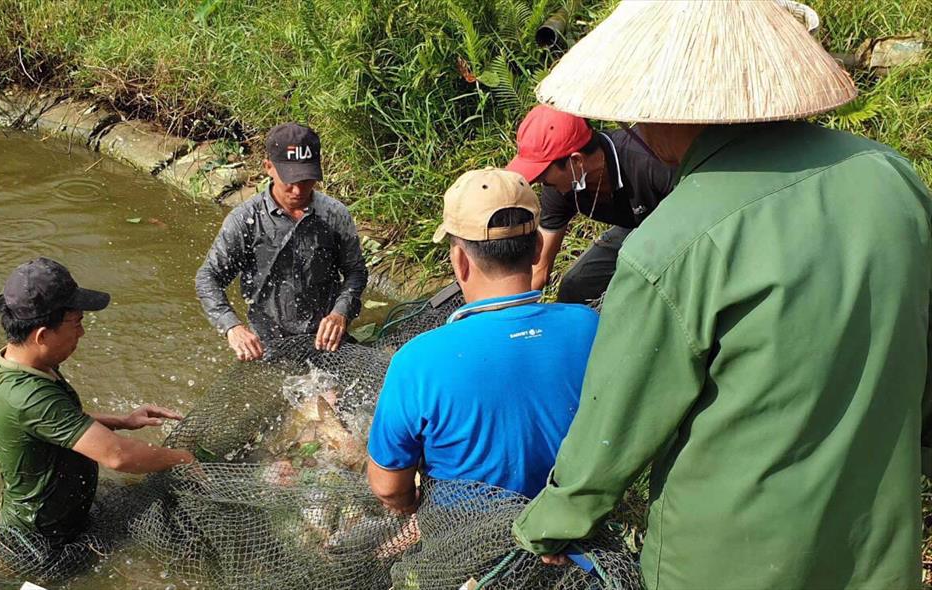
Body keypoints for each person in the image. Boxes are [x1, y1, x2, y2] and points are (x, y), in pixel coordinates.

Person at [512, 2, 932, 589]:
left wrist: (555, 520)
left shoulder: (672, 245)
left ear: (674, 107)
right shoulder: (893, 175)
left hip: (727, 558)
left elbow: (617, 425)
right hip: (875, 541)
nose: (634, 124)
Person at [366, 168, 600, 512]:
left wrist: (412, 505)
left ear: (459, 260)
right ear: (537, 248)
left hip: (467, 541)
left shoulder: (417, 360)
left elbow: (388, 487)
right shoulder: (589, 325)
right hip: (571, 525)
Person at [0, 257, 194, 544]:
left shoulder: (18, 360)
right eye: (76, 323)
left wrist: (124, 421)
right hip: (45, 538)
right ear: (42, 335)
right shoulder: (27, 395)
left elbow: (59, 421)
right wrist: (182, 458)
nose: (81, 333)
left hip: (57, 513)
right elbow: (118, 456)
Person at [196, 122, 368, 361]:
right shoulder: (245, 219)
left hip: (326, 341)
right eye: (290, 180)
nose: (298, 190)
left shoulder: (334, 215)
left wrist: (341, 313)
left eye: (306, 179)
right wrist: (232, 327)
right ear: (269, 167)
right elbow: (208, 278)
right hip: (267, 346)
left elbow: (355, 271)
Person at [506, 104, 675, 303]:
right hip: (633, 230)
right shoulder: (560, 188)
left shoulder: (648, 161)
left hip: (679, 226)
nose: (542, 184)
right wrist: (507, 314)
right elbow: (539, 268)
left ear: (576, 161)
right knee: (575, 286)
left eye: (543, 177)